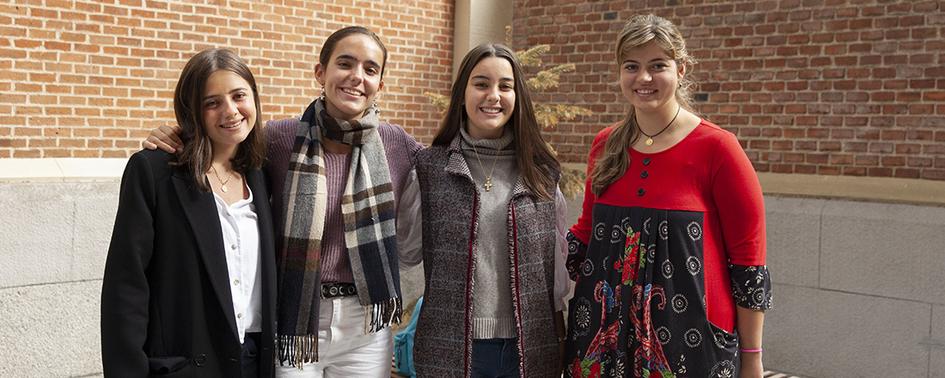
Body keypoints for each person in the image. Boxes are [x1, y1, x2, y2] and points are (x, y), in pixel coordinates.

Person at [143, 26, 421, 377]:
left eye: (370, 69)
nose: (356, 77)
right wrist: (176, 132)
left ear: (380, 84)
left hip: (365, 323)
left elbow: (445, 164)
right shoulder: (278, 138)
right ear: (320, 72)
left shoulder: (397, 143)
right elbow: (223, 134)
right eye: (345, 63)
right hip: (295, 317)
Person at [563, 14, 772, 378]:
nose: (643, 78)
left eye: (657, 65)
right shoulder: (605, 145)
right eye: (632, 66)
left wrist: (752, 357)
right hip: (603, 340)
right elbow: (585, 234)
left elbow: (749, 263)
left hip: (691, 346)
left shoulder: (718, 149)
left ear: (681, 69)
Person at [399, 43, 571, 378]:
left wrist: (560, 336)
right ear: (462, 92)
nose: (493, 95)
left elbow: (557, 268)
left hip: (530, 347)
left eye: (505, 86)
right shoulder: (430, 168)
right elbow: (406, 253)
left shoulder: (542, 173)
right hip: (449, 347)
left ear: (517, 96)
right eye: (481, 84)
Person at [101, 48, 276, 378]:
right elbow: (126, 286)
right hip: (186, 366)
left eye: (239, 95)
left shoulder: (265, 173)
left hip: (253, 362)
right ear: (192, 110)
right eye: (212, 102)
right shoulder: (154, 172)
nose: (230, 111)